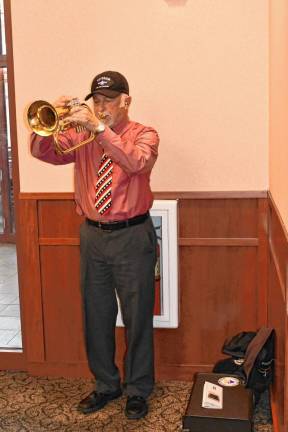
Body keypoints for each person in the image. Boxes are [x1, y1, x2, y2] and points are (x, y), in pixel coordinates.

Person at [30, 71, 159, 420]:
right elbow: (43, 152)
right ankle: (106, 385)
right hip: (93, 236)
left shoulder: (144, 134)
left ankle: (138, 389)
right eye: (96, 101)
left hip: (133, 236)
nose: (100, 108)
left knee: (137, 318)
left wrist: (102, 131)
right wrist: (52, 122)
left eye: (108, 101)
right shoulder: (82, 136)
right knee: (96, 316)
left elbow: (136, 162)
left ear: (125, 102)